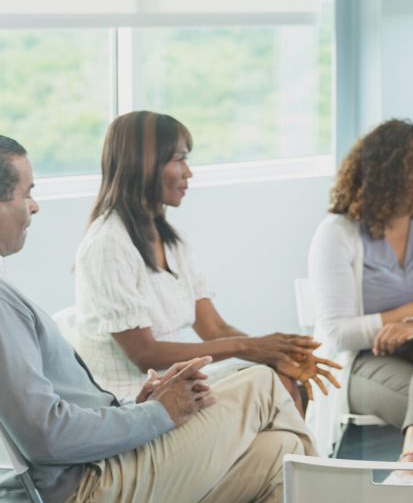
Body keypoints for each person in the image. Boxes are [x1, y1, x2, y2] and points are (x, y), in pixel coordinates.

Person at [0, 131, 313, 503]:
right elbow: (46, 436)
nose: (34, 205)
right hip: (85, 484)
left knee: (282, 452)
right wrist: (156, 413)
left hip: (88, 467)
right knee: (263, 382)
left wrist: (130, 409)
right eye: (27, 192)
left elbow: (43, 413)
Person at [73, 111, 338, 414]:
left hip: (175, 388)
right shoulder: (108, 244)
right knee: (275, 387)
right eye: (178, 159)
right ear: (144, 165)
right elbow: (145, 353)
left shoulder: (172, 241)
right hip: (135, 404)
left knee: (283, 379)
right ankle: (300, 461)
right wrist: (251, 347)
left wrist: (277, 354)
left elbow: (214, 328)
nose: (188, 172)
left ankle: (292, 461)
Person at [307, 119, 413, 464]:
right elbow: (338, 333)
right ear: (388, 176)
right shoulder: (337, 233)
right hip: (359, 362)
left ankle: (409, 470)